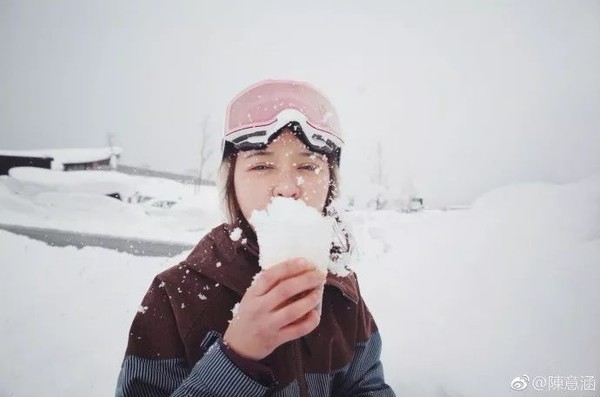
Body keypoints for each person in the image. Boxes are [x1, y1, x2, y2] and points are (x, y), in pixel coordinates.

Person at [115, 79, 395, 396]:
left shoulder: (342, 290)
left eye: (308, 164)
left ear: (331, 184)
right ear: (230, 182)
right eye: (262, 165)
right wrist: (235, 359)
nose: (287, 187)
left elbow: (366, 385)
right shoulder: (175, 297)